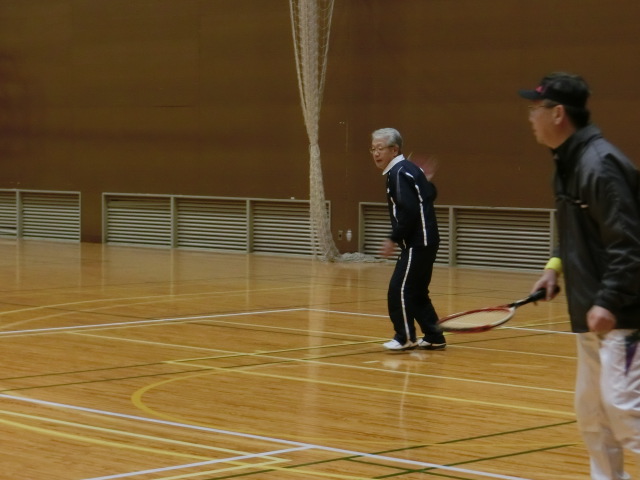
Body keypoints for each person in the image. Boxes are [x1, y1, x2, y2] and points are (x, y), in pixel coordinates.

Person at [519, 72, 640, 479]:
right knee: (592, 415)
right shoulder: (568, 163)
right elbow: (579, 231)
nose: (530, 118)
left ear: (558, 114)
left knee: (626, 412)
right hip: (591, 312)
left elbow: (629, 242)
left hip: (625, 315)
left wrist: (608, 300)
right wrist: (555, 267)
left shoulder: (600, 165)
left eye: (535, 109)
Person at [370, 127, 446, 351]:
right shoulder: (410, 169)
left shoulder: (398, 173)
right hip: (427, 241)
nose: (376, 153)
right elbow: (430, 194)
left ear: (394, 150)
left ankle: (405, 337)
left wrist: (392, 238)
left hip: (417, 242)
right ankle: (434, 335)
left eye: (380, 148)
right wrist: (424, 181)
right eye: (373, 149)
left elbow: (409, 210)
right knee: (417, 292)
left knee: (399, 290)